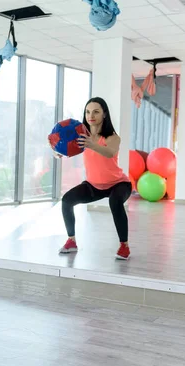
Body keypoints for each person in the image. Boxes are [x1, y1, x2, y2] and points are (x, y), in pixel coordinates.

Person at [57, 97, 132, 260]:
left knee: (115, 202)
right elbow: (69, 149)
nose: (91, 115)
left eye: (96, 111)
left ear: (104, 114)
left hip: (118, 184)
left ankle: (124, 245)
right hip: (93, 185)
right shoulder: (82, 135)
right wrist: (59, 151)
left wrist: (92, 144)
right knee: (66, 200)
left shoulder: (112, 137)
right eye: (88, 111)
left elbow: (110, 152)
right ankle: (71, 241)